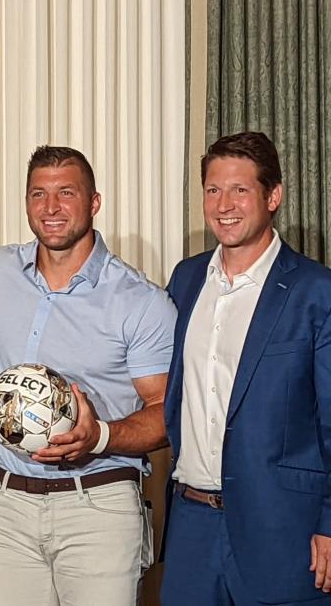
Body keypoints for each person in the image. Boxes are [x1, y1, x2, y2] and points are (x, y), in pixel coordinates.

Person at [0, 145, 177, 605]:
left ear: (94, 202)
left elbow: (165, 414)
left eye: (66, 193)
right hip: (6, 504)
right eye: (38, 193)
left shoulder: (140, 301)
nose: (51, 207)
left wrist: (98, 436)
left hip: (98, 507)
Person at [161, 131, 331, 605]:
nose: (224, 204)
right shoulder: (186, 278)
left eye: (240, 190)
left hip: (284, 529)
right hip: (192, 524)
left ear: (272, 196)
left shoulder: (317, 291)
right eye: (213, 189)